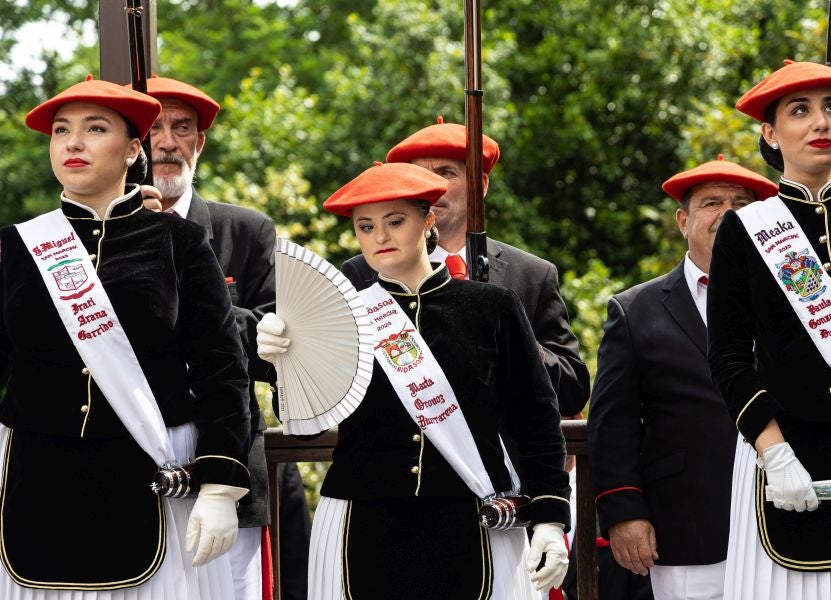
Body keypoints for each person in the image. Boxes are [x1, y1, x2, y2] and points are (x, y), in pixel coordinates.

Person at [256, 161, 572, 599]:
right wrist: (282, 363)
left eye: (395, 221)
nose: (380, 237)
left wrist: (550, 518)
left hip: (470, 521)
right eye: (365, 227)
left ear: (428, 220)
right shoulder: (342, 314)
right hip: (362, 519)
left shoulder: (493, 308)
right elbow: (305, 417)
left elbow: (536, 418)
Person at [0, 76, 251, 597]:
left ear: (134, 149)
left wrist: (221, 483)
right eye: (61, 130)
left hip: (150, 472)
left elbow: (221, 366)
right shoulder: (17, 247)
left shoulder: (179, 241)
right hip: (37, 477)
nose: (73, 143)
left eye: (95, 128)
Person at [707, 60, 831, 598]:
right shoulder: (745, 232)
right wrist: (774, 452)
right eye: (800, 111)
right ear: (770, 134)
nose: (822, 123)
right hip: (783, 458)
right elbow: (726, 354)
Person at [141, 74, 310, 600]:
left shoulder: (246, 230)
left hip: (227, 469)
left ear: (201, 143)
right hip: (127, 467)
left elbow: (277, 349)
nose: (167, 142)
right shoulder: (90, 236)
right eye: (153, 129)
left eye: (182, 128)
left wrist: (182, 290)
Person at [588, 156, 777, 600]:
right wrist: (623, 513)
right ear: (682, 221)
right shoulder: (635, 310)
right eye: (711, 202)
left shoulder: (790, 303)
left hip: (782, 524)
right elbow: (611, 423)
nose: (727, 213)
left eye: (741, 203)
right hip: (685, 530)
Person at [341, 118, 590, 416]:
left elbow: (573, 392)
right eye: (419, 176)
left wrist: (516, 339)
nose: (433, 187)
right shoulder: (362, 274)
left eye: (446, 173)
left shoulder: (532, 274)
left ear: (480, 185)